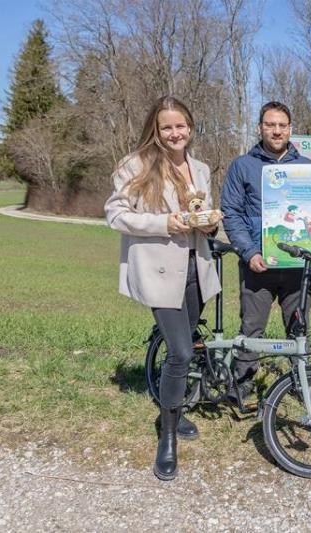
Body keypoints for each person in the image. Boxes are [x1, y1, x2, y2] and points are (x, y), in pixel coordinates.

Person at [105, 96, 221, 481]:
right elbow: (116, 214)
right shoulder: (134, 166)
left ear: (190, 127)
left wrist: (209, 224)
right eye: (167, 127)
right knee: (181, 353)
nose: (175, 133)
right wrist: (163, 224)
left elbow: (202, 216)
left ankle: (173, 409)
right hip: (159, 272)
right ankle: (167, 436)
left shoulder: (200, 169)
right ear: (155, 130)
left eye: (181, 126)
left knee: (184, 350)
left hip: (196, 271)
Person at [220, 101, 311, 400]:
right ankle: (243, 381)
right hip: (258, 263)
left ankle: (300, 380)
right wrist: (249, 252)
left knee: (299, 327)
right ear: (260, 127)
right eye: (270, 124)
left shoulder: (308, 168)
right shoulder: (242, 166)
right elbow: (231, 212)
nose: (276, 130)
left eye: (282, 125)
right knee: (252, 328)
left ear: (290, 129)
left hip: (296, 266)